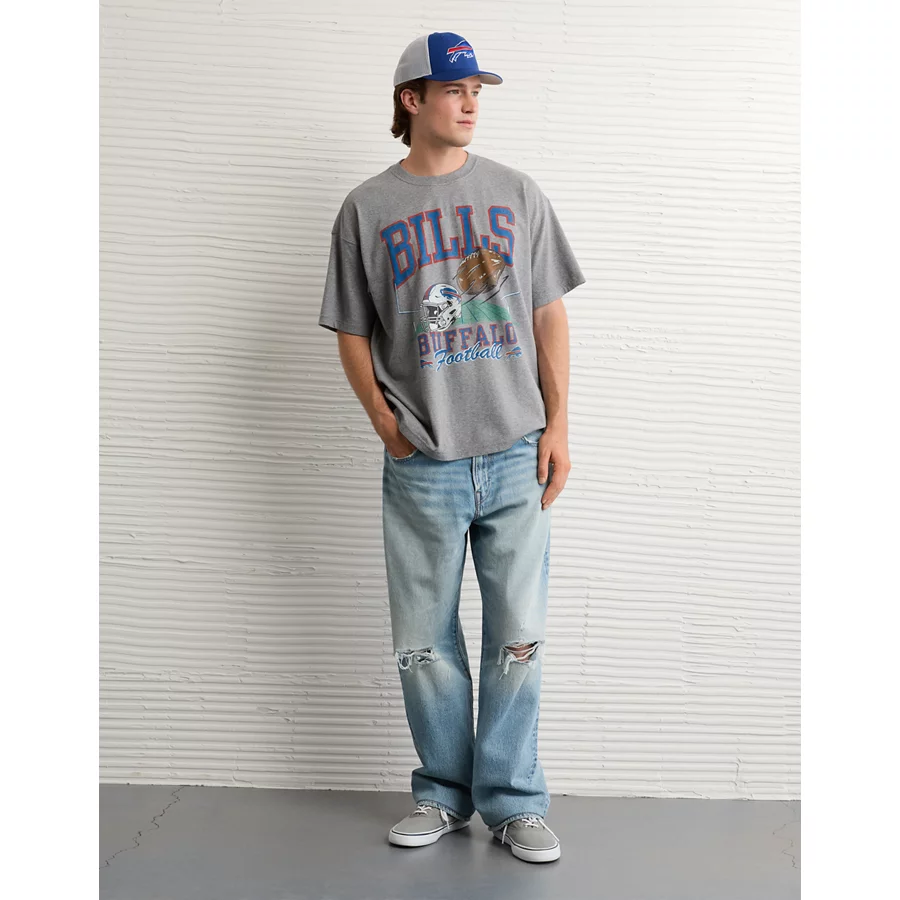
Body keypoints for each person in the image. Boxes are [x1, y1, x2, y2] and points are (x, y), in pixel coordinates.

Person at [318, 32, 585, 864]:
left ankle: (513, 802)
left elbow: (547, 313)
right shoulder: (367, 208)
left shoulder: (515, 192)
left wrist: (559, 426)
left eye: (477, 91)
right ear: (412, 100)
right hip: (422, 463)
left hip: (515, 452)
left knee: (519, 639)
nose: (470, 103)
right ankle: (442, 794)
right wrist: (383, 421)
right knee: (423, 645)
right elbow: (351, 329)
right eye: (454, 89)